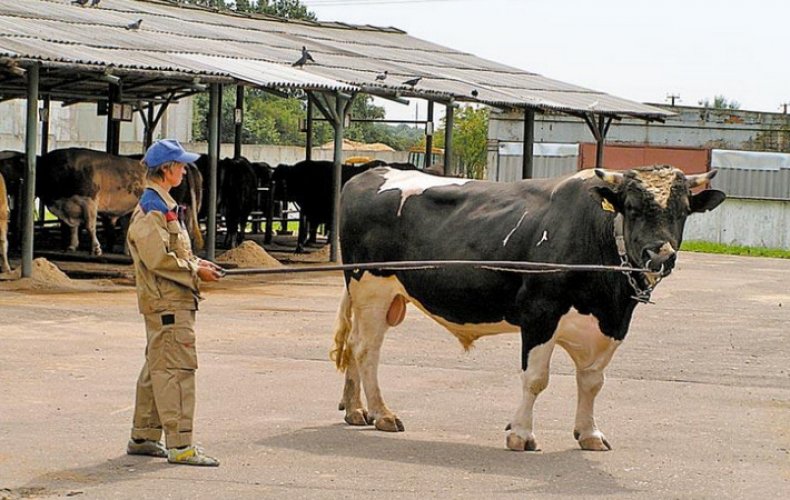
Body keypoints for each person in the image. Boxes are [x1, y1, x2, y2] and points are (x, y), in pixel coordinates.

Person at [125, 139, 224, 467]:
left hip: (171, 300)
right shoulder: (152, 209)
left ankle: (144, 435)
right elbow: (158, 259)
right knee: (177, 370)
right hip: (168, 303)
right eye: (180, 164)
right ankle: (181, 445)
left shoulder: (162, 204)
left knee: (158, 367)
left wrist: (199, 263)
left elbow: (173, 252)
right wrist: (195, 270)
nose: (185, 169)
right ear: (166, 169)